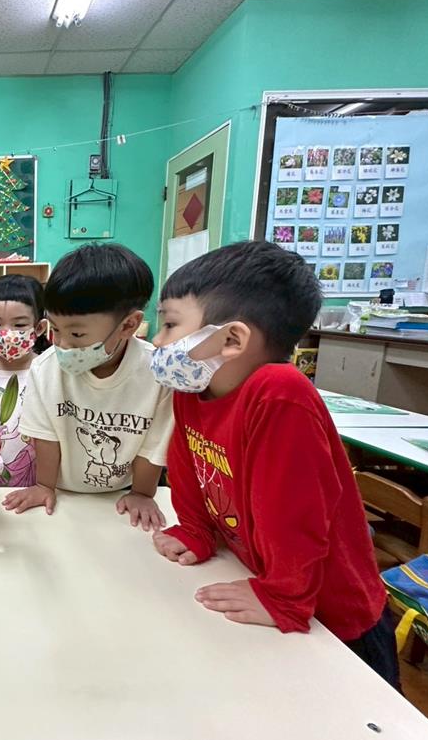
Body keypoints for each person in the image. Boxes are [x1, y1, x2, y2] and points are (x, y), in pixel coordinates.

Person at [150, 240, 398, 688]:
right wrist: (196, 531)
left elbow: (296, 513)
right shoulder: (193, 391)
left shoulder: (280, 392)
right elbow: (187, 472)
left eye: (169, 324)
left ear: (232, 339)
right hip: (262, 582)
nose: (157, 340)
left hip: (333, 617)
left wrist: (284, 597)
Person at [5, 243, 173, 531]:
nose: (62, 344)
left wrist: (143, 494)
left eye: (77, 334)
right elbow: (46, 437)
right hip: (63, 495)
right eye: (55, 329)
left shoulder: (158, 373)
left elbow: (153, 444)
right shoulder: (45, 369)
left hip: (123, 496)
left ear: (128, 325)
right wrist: (44, 486)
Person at [0, 274, 48, 487]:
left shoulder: (49, 371)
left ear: (39, 328)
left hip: (43, 484)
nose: (6, 334)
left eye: (19, 325)